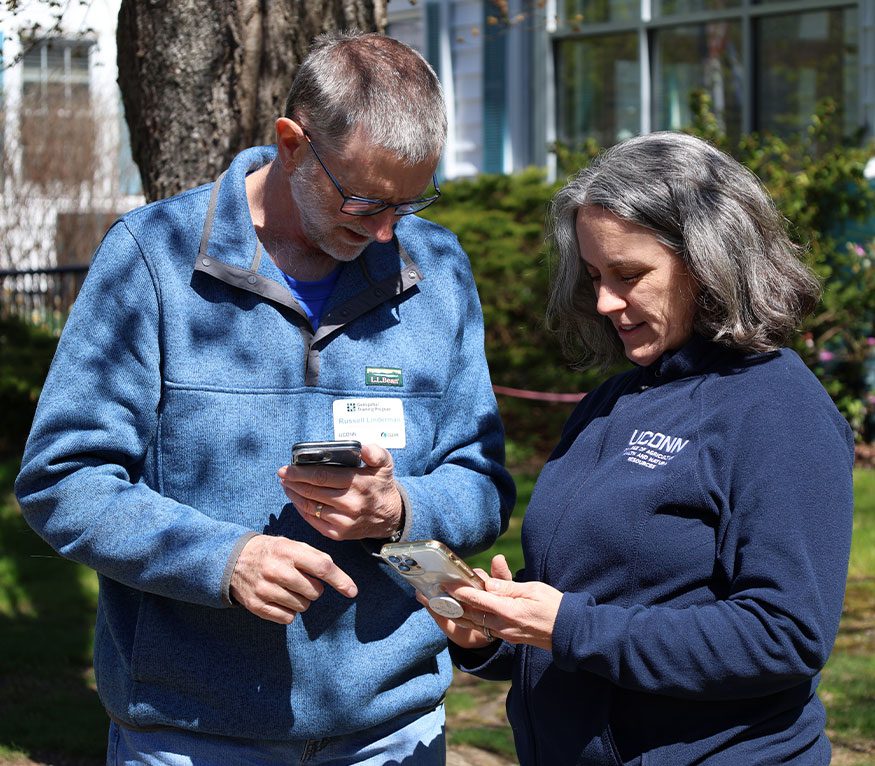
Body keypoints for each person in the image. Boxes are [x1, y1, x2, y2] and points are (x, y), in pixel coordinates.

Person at [14, 30, 515, 765]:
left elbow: (482, 484)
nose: (384, 230)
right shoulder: (153, 259)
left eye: (408, 203)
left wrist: (401, 509)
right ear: (290, 142)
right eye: (363, 200)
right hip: (191, 733)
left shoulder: (434, 266)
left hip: (392, 730)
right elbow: (63, 480)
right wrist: (223, 558)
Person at [422, 131, 855, 765]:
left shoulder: (777, 406)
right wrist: (492, 637)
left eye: (629, 275)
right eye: (596, 275)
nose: (604, 302)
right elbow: (594, 614)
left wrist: (568, 626)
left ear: (710, 262)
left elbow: (785, 636)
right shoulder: (612, 401)